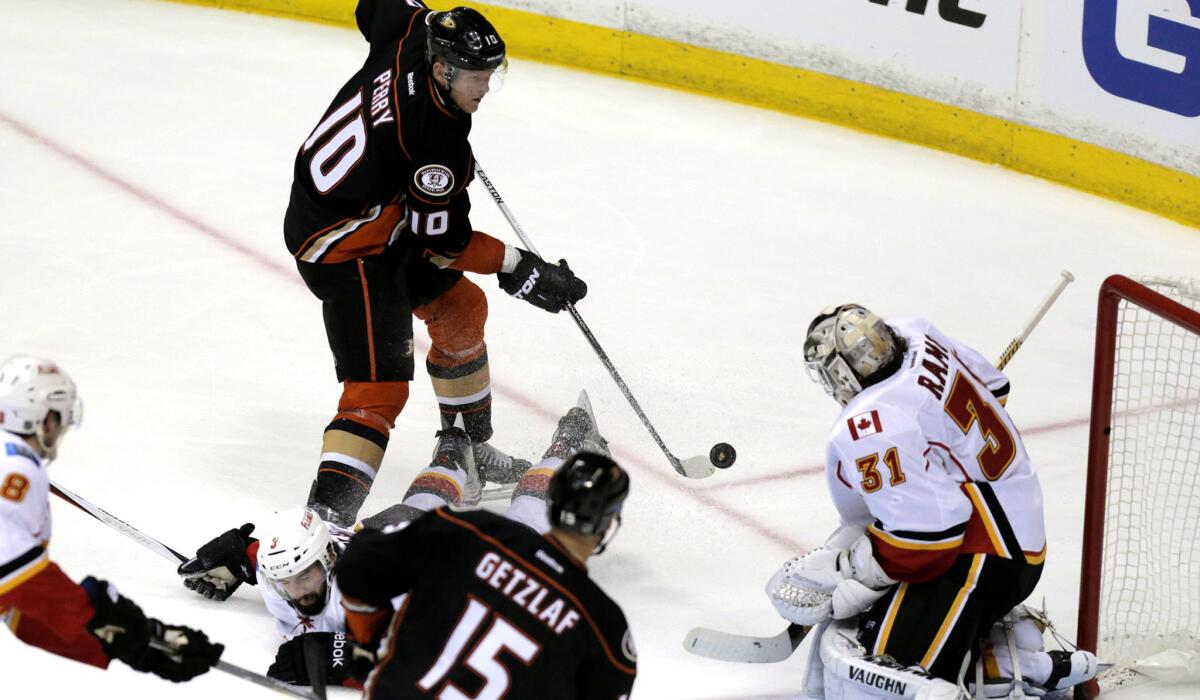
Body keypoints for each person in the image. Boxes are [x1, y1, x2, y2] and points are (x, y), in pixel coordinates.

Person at [284, 0, 587, 528]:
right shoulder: (434, 142)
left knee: (461, 309)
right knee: (377, 390)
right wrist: (516, 266)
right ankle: (322, 524)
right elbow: (443, 243)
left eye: (493, 73)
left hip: (372, 215)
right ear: (442, 69)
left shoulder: (413, 29)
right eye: (475, 76)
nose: (485, 87)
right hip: (341, 248)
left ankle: (467, 450)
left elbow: (373, 6)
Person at [178, 391, 614, 691]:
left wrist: (346, 659)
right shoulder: (294, 566)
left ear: (328, 558)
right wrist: (240, 556)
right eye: (285, 581)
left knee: (531, 517)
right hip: (392, 539)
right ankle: (453, 457)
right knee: (412, 508)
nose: (299, 591)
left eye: (305, 575)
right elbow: (276, 556)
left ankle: (573, 441)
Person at [764, 305, 1096, 698]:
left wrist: (852, 571)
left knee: (877, 678)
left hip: (986, 555)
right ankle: (993, 659)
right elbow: (996, 389)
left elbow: (928, 540)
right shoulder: (918, 334)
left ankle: (1012, 671)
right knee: (876, 642)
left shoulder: (871, 423)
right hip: (1014, 520)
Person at [0, 356, 222, 682]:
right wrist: (101, 617)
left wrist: (124, 644)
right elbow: (18, 576)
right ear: (45, 419)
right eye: (59, 419)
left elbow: (19, 611)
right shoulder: (17, 469)